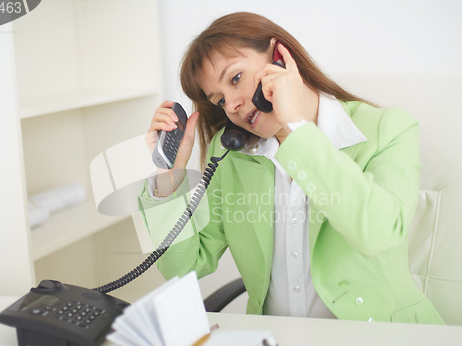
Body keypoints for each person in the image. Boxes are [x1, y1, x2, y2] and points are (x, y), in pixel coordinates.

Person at [138, 12, 444, 324]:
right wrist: (168, 179)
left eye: (235, 79)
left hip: (385, 345)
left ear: (280, 57)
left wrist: (294, 128)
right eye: (219, 101)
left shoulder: (388, 129)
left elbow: (378, 234)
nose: (231, 106)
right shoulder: (230, 153)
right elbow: (183, 268)